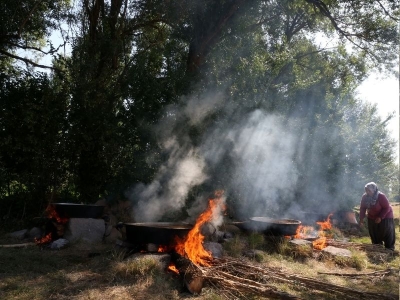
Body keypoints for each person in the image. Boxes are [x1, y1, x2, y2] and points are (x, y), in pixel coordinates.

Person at [359, 182, 395, 250]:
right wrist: (361, 219)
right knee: (374, 232)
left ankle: (389, 249)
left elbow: (386, 207)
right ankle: (377, 247)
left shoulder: (381, 196)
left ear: (374, 190)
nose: (367, 192)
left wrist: (380, 217)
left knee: (386, 232)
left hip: (386, 216)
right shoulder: (365, 197)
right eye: (366, 190)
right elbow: (363, 208)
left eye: (369, 190)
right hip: (372, 217)